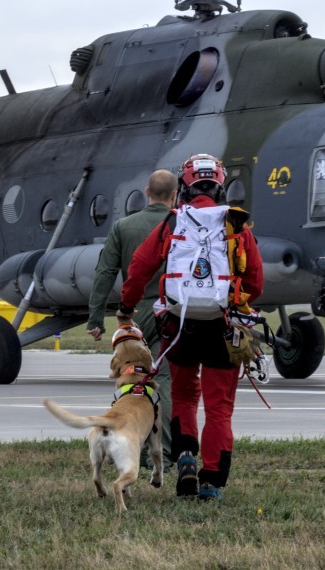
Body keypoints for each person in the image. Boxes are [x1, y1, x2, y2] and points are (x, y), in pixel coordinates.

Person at [117, 153, 264, 503]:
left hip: (178, 326)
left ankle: (185, 457)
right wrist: (234, 299)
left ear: (184, 188)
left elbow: (139, 266)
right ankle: (211, 482)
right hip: (222, 328)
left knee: (184, 396)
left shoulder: (173, 222)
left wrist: (126, 307)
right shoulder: (236, 225)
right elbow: (256, 282)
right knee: (219, 408)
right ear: (220, 187)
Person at [85, 168, 177, 469]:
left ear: (147, 193)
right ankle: (162, 453)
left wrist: (95, 318)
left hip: (135, 314)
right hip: (172, 312)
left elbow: (104, 272)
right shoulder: (180, 224)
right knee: (164, 380)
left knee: (129, 380)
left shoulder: (123, 227)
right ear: (174, 195)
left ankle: (125, 443)